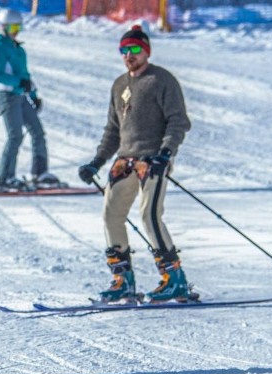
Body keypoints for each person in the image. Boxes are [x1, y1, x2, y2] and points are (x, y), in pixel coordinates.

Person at [78, 25, 192, 303]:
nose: (129, 55)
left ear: (146, 51)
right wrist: (97, 161)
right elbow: (113, 130)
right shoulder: (119, 85)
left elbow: (179, 121)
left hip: (153, 160)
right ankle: (122, 280)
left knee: (150, 216)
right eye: (124, 50)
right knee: (111, 216)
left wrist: (166, 152)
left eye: (135, 49)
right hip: (124, 161)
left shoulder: (161, 80)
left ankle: (174, 279)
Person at [0, 8, 56, 191]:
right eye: (12, 27)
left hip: (21, 96)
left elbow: (25, 76)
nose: (16, 30)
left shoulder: (18, 48)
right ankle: (5, 177)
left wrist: (33, 95)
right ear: (3, 27)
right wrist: (20, 83)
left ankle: (39, 173)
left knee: (37, 131)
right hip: (8, 96)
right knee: (15, 136)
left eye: (18, 26)